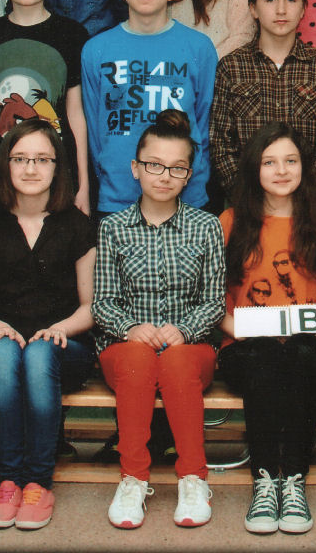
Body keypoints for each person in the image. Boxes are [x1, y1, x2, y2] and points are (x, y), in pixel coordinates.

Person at [90, 110, 225, 529]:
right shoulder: (113, 228)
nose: (164, 176)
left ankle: (193, 479)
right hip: (127, 348)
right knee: (138, 357)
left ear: (188, 175)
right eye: (154, 165)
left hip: (191, 348)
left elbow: (214, 301)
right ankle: (133, 479)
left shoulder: (207, 227)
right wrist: (131, 328)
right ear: (136, 168)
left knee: (177, 360)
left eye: (176, 168)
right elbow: (103, 302)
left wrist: (184, 330)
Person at [0, 119, 96, 531]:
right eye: (20, 159)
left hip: (66, 348)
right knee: (5, 351)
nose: (31, 168)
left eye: (42, 159)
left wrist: (60, 330)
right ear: (5, 165)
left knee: (39, 353)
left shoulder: (77, 225)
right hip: (2, 343)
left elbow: (91, 307)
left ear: (58, 167)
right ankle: (8, 482)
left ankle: (38, 483)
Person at [218, 123, 316, 534]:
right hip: (245, 346)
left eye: (290, 161)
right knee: (267, 356)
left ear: (304, 167)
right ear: (254, 169)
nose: (281, 170)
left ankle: (292, 479)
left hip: (309, 344)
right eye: (269, 162)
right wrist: (237, 329)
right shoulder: (230, 221)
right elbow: (213, 299)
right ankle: (264, 480)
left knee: (298, 355)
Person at [81, 0, 217, 214]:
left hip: (185, 198)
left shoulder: (199, 48)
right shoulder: (96, 49)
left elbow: (204, 123)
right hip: (117, 197)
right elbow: (94, 130)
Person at [209, 0, 316, 201]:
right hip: (248, 205)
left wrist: (304, 201)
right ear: (253, 8)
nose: (281, 10)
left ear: (303, 8)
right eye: (270, 0)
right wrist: (250, 200)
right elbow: (221, 145)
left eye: (291, 0)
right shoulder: (231, 67)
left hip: (307, 206)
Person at [0, 0, 90, 212]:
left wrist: (84, 185)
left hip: (58, 173)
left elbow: (75, 113)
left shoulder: (72, 35)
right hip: (1, 174)